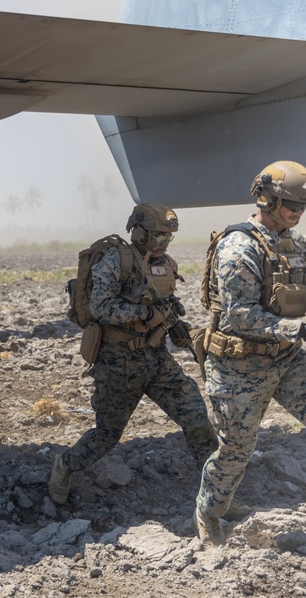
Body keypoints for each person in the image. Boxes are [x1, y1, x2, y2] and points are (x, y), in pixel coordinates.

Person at [49, 203, 217, 505]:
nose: (163, 242)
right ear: (138, 230)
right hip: (117, 362)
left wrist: (174, 324)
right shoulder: (116, 260)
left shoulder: (166, 263)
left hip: (156, 359)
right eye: (157, 236)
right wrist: (146, 313)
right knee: (107, 435)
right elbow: (102, 308)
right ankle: (65, 465)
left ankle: (218, 493)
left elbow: (165, 303)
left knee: (196, 417)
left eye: (168, 237)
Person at [194, 161, 306, 545]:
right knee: (237, 449)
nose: (298, 213)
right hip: (239, 364)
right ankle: (210, 512)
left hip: (286, 356)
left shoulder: (292, 242)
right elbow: (240, 316)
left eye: (302, 207)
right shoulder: (239, 246)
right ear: (267, 199)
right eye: (292, 205)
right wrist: (299, 328)